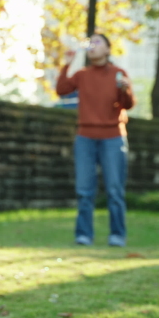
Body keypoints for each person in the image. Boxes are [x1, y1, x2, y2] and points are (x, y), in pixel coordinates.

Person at [56, 33, 135, 247]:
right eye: (90, 43)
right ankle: (84, 234)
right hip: (85, 138)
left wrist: (125, 88)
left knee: (115, 190)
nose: (93, 46)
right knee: (84, 190)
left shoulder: (119, 73)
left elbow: (128, 105)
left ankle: (117, 235)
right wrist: (67, 64)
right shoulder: (82, 75)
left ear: (108, 50)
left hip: (113, 138)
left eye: (98, 42)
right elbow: (62, 90)